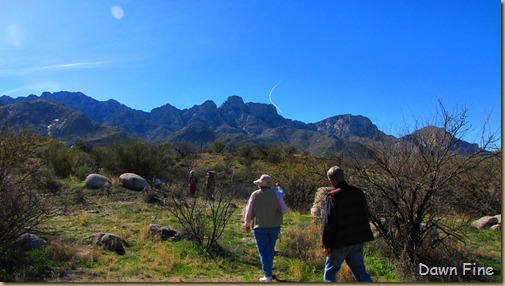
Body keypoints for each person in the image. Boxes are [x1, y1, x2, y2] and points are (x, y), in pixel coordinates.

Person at [322, 166, 374, 282]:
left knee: (329, 273)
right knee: (361, 273)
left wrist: (327, 244)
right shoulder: (358, 192)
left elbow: (328, 222)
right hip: (357, 239)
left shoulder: (333, 196)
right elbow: (366, 213)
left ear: (331, 181)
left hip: (339, 242)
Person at [244, 174, 288, 283]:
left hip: (259, 226)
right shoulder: (276, 194)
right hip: (274, 226)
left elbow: (249, 211)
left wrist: (247, 224)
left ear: (260, 185)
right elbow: (284, 209)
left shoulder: (255, 195)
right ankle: (269, 273)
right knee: (270, 249)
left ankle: (267, 275)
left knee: (263, 251)